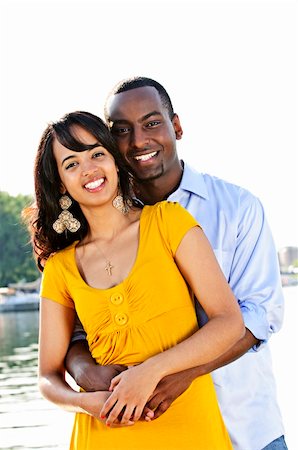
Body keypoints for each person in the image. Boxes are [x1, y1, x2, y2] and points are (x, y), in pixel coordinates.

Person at [65, 77, 287, 450]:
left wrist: (180, 374)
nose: (138, 141)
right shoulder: (94, 229)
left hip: (245, 427)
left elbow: (260, 314)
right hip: (147, 433)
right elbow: (75, 336)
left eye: (152, 123)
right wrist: (90, 375)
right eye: (122, 131)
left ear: (177, 126)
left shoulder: (237, 208)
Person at [24, 111, 245, 450]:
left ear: (114, 160)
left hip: (190, 428)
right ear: (60, 184)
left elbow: (229, 322)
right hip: (102, 433)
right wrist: (85, 403)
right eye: (71, 164)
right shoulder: (60, 268)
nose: (89, 169)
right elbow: (47, 377)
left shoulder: (168, 222)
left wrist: (151, 371)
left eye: (97, 153)